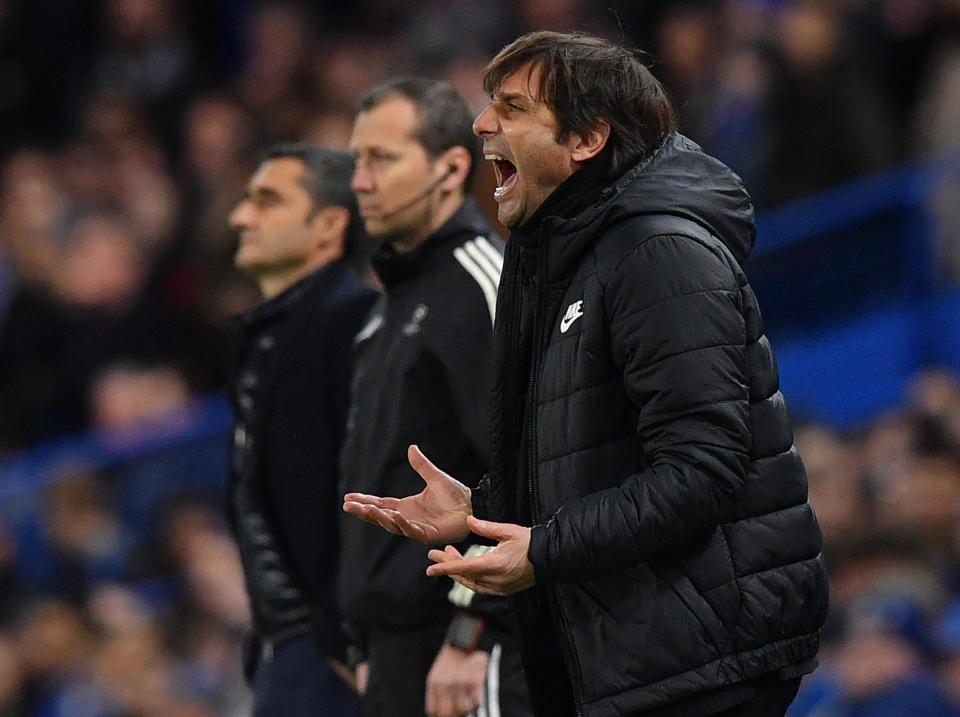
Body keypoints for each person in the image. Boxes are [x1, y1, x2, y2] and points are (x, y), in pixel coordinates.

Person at [343, 32, 830, 717]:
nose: (482, 122)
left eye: (511, 108)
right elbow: (592, 458)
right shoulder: (562, 254)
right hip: (641, 656)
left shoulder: (657, 252)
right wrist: (480, 511)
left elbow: (702, 469)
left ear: (587, 139)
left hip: (704, 658)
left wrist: (542, 549)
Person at [340, 77, 532, 717]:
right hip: (396, 651)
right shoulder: (386, 310)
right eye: (357, 161)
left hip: (461, 647)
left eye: (382, 159)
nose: (361, 181)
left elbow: (526, 465)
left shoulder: (484, 281)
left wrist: (473, 628)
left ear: (451, 168)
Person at [226, 143, 375, 716]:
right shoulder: (266, 339)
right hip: (289, 644)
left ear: (329, 226)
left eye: (268, 201)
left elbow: (372, 480)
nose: (241, 217)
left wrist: (348, 632)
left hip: (333, 652)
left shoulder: (353, 322)